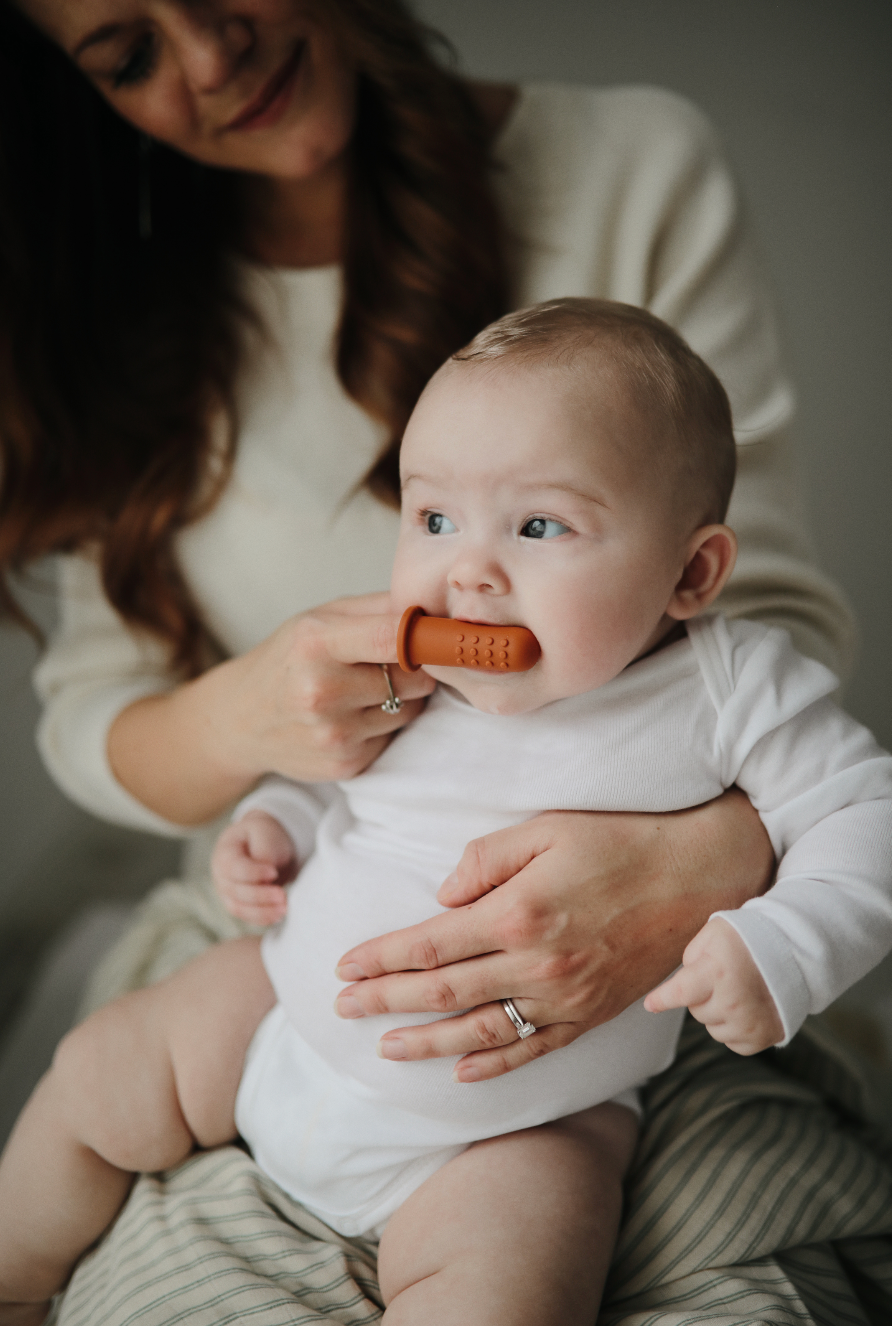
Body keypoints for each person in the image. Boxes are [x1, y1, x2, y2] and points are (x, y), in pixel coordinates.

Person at [1, 1, 886, 1322]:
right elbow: (351, 783)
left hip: (511, 1120)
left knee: (515, 1279)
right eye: (431, 518)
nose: (467, 568)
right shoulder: (420, 662)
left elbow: (865, 818)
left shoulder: (727, 679)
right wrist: (272, 813)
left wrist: (771, 936)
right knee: (94, 1069)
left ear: (692, 574)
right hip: (286, 1007)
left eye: (538, 526)